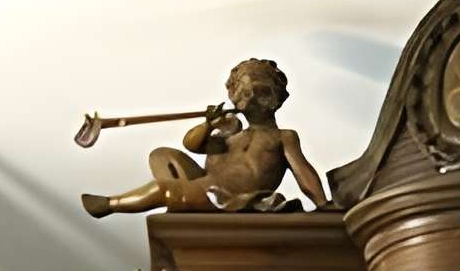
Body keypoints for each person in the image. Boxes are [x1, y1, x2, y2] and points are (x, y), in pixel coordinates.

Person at [79, 57, 328, 216]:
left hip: (231, 197)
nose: (248, 97)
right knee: (162, 155)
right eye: (242, 91)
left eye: (257, 91)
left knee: (163, 189)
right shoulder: (230, 134)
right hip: (209, 185)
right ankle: (184, 198)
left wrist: (323, 204)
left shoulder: (283, 137)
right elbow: (192, 143)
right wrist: (208, 125)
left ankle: (111, 205)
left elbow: (302, 171)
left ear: (273, 99)